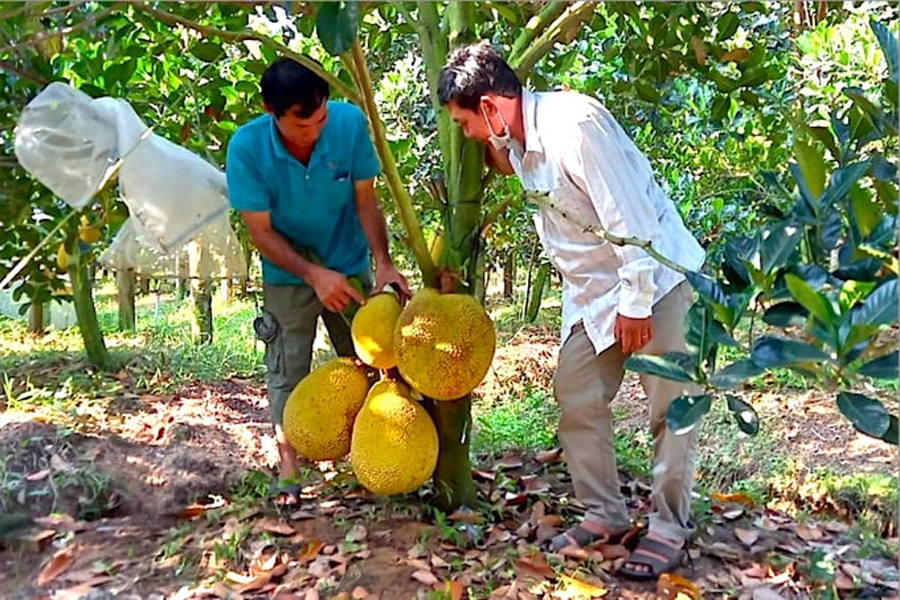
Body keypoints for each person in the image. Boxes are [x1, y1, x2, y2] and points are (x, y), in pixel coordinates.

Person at [438, 42, 706, 580]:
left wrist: (636, 303)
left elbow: (629, 218)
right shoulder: (516, 142)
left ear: (489, 106)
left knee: (670, 408)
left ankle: (669, 527)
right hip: (593, 296)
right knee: (576, 392)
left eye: (465, 123)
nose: (466, 135)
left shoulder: (576, 128)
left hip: (654, 280)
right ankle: (605, 512)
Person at [226, 57, 410, 506]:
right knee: (286, 369)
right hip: (287, 273)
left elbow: (366, 200)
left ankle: (373, 461)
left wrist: (383, 262)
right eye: (301, 125)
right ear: (271, 111)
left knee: (374, 365)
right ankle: (289, 471)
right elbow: (260, 232)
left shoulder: (348, 124)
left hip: (349, 264)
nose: (314, 131)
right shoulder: (247, 148)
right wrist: (312, 274)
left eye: (320, 120)